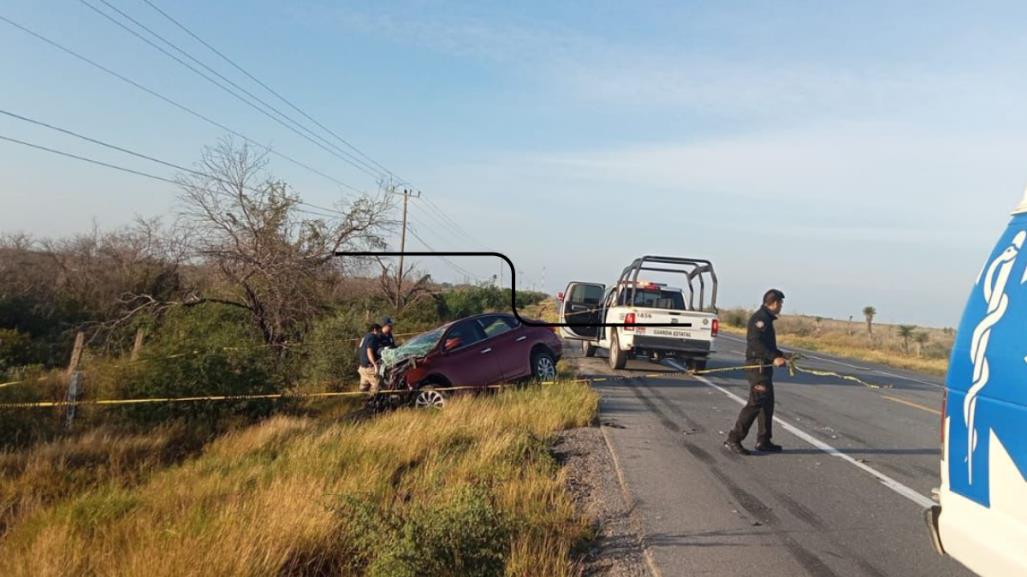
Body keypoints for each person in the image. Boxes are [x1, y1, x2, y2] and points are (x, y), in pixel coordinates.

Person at [724, 289, 791, 455]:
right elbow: (755, 343)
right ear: (774, 303)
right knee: (755, 403)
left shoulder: (767, 319)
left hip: (764, 367)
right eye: (781, 303)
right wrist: (773, 358)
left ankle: (764, 440)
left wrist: (782, 355)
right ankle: (734, 439)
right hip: (757, 367)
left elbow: (768, 345)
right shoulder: (760, 319)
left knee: (767, 404)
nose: (781, 306)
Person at [357, 323, 382, 393]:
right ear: (374, 330)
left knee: (363, 389)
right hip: (369, 369)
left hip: (362, 368)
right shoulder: (372, 337)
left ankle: (361, 402)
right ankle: (373, 402)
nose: (380, 334)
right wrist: (375, 365)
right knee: (377, 388)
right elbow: (369, 351)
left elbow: (360, 350)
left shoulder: (365, 337)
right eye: (379, 331)